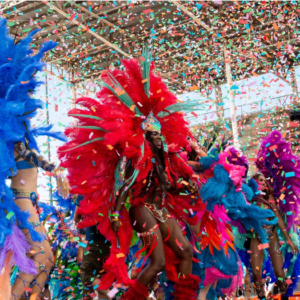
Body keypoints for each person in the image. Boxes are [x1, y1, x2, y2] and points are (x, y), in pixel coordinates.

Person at [58, 47, 206, 300]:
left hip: (160, 209)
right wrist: (115, 214)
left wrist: (187, 186)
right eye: (153, 134)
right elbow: (123, 187)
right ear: (146, 135)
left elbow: (169, 187)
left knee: (186, 254)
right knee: (157, 263)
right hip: (141, 210)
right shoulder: (136, 157)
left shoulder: (167, 161)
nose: (158, 139)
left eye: (160, 134)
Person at [0, 18, 70, 300]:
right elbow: (25, 155)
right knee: (42, 258)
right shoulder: (14, 128)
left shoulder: (22, 129)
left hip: (27, 198)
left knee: (44, 260)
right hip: (20, 199)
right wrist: (54, 168)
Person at [250, 173, 298, 299]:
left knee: (279, 272)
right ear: (254, 182)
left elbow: (278, 219)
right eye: (260, 180)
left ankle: (285, 295)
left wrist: (288, 240)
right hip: (256, 236)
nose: (264, 182)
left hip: (272, 236)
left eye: (264, 180)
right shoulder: (248, 198)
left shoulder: (269, 197)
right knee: (256, 272)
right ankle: (262, 297)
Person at [74, 195, 112, 300]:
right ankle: (114, 294)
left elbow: (76, 218)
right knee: (104, 279)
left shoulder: (84, 191)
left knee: (86, 275)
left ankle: (114, 296)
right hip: (113, 244)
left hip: (94, 243)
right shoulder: (113, 188)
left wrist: (82, 237)